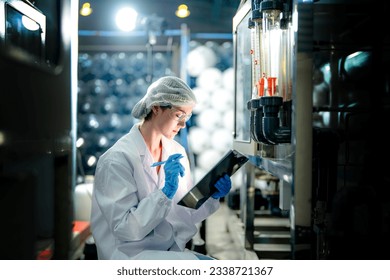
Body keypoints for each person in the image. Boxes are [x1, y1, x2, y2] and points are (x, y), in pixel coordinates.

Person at [90, 76, 232, 260]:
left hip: (167, 250)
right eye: (179, 115)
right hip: (130, 256)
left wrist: (212, 195)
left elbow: (184, 214)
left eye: (187, 117)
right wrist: (165, 193)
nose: (183, 125)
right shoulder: (117, 160)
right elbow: (126, 229)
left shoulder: (175, 151)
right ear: (156, 107)